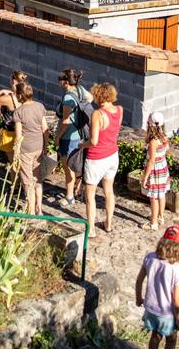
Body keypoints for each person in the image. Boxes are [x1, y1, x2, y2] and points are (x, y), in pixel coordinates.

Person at [135, 226, 179, 349]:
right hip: (166, 314)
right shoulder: (177, 269)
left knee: (155, 335)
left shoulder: (150, 258)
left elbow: (139, 281)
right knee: (171, 340)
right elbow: (177, 298)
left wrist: (138, 298)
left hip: (150, 309)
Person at [80, 83, 121, 238]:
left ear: (98, 96)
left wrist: (82, 145)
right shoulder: (119, 110)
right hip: (112, 155)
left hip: (96, 158)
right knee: (109, 191)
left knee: (90, 196)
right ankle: (108, 224)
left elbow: (94, 141)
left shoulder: (97, 114)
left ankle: (91, 229)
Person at [54, 69, 92, 207]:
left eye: (60, 81)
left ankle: (69, 196)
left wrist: (57, 137)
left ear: (65, 82)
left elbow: (65, 121)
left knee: (68, 166)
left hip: (68, 137)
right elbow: (90, 98)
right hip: (79, 134)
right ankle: (78, 188)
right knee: (76, 163)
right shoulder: (80, 89)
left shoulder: (68, 98)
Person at [12, 82, 48, 215]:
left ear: (20, 95)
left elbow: (18, 136)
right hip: (39, 147)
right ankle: (39, 208)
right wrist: (45, 146)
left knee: (27, 180)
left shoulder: (19, 112)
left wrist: (16, 153)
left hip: (26, 149)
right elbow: (45, 129)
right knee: (38, 178)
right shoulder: (40, 106)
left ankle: (31, 210)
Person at [0, 70, 28, 168]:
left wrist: (2, 91)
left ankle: (15, 182)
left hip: (10, 133)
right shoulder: (26, 94)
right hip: (24, 131)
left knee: (13, 161)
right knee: (22, 161)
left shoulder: (9, 98)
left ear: (13, 81)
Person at [141, 112, 170, 230]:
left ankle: (153, 223)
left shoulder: (153, 141)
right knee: (161, 195)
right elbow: (166, 150)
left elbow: (151, 161)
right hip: (163, 167)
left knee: (153, 197)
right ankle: (160, 217)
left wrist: (145, 177)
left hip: (155, 171)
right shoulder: (164, 136)